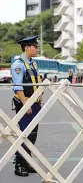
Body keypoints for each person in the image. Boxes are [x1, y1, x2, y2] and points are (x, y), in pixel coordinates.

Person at [10, 36, 42, 177]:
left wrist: (39, 101)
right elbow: (17, 87)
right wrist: (25, 104)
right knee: (24, 135)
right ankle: (18, 164)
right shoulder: (19, 64)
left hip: (35, 104)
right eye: (35, 46)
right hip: (25, 104)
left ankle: (26, 161)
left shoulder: (33, 63)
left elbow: (37, 83)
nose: (37, 49)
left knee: (32, 135)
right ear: (27, 48)